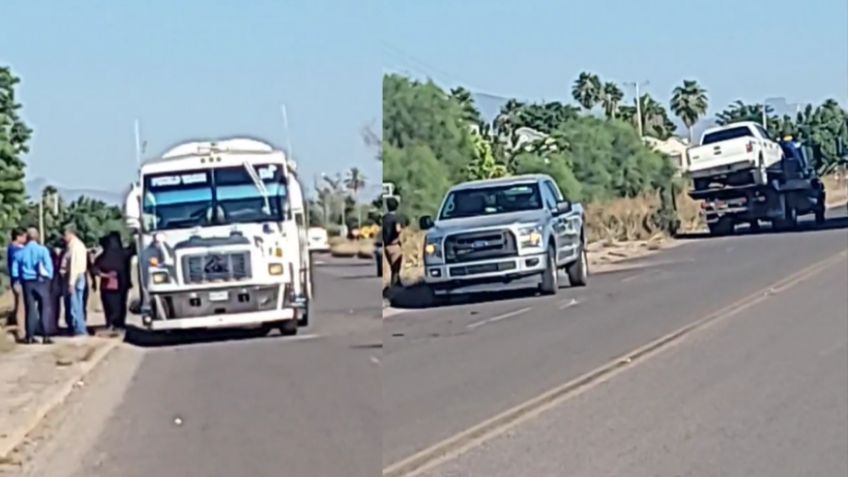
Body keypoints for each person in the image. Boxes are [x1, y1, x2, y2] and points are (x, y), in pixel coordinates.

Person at [12, 228, 55, 344]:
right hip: (41, 281)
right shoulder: (42, 250)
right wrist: (49, 278)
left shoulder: (19, 253)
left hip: (27, 283)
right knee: (45, 308)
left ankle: (30, 336)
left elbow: (15, 270)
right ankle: (45, 335)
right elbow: (49, 268)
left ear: (27, 238)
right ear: (37, 237)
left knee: (30, 309)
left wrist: (18, 280)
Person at [94, 233, 129, 330]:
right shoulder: (123, 254)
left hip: (107, 285)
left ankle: (110, 323)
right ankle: (120, 323)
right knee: (121, 304)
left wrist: (104, 275)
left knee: (108, 305)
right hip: (122, 285)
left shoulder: (102, 257)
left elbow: (95, 269)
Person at [61, 227, 89, 336]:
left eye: (65, 235)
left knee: (75, 304)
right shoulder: (78, 245)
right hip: (79, 276)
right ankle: (79, 328)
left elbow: (74, 266)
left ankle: (79, 329)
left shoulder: (75, 247)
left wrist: (71, 282)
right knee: (78, 303)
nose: (64, 238)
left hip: (75, 277)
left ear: (70, 234)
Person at [6, 228, 28, 342]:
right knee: (21, 307)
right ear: (18, 237)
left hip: (16, 281)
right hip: (18, 281)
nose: (25, 239)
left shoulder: (12, 248)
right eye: (24, 236)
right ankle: (21, 333)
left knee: (20, 306)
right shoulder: (15, 249)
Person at [382, 197, 403, 291]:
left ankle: (395, 284)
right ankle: (394, 287)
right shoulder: (396, 218)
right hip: (394, 245)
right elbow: (398, 229)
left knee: (392, 268)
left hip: (386, 246)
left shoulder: (384, 218)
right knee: (396, 268)